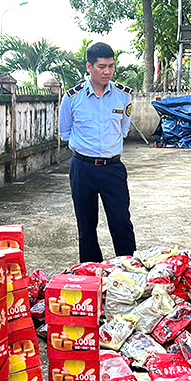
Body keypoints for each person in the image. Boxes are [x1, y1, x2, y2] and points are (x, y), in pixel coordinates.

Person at [58, 42, 136, 262]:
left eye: (111, 66)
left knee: (121, 222)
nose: (107, 71)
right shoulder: (72, 98)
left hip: (112, 168)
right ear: (89, 67)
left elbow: (123, 129)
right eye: (102, 66)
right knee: (86, 225)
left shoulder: (123, 96)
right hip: (82, 168)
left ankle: (129, 271)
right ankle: (91, 272)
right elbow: (65, 131)